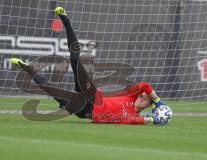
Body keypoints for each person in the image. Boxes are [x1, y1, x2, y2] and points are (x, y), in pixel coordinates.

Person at [11, 7, 167, 125]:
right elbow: (145, 85)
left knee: (49, 88)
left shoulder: (136, 117)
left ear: (147, 105)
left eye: (144, 99)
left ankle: (26, 68)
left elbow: (130, 120)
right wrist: (158, 101)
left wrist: (152, 119)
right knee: (75, 60)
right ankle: (65, 20)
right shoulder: (131, 96)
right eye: (142, 96)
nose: (140, 97)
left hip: (86, 110)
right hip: (93, 95)